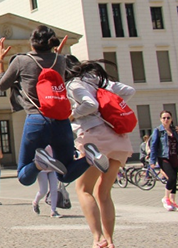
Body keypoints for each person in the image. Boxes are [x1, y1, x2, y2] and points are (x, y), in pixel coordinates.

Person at [0, 26, 108, 182]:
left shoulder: (22, 60)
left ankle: (39, 164)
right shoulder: (61, 60)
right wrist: (56, 54)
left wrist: (0, 60)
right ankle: (89, 158)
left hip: (37, 119)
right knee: (65, 174)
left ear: (32, 43)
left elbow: (1, 84)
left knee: (23, 175)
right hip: (61, 122)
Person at [67, 59, 136, 248]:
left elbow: (90, 105)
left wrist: (73, 114)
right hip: (118, 139)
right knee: (104, 193)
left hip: (95, 140)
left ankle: (98, 239)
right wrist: (110, 110)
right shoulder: (98, 80)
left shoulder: (74, 84)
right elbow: (129, 91)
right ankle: (110, 240)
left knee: (83, 189)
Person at [149, 111, 178, 212]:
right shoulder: (158, 131)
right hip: (164, 157)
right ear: (160, 119)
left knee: (175, 180)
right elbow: (154, 146)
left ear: (171, 119)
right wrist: (152, 160)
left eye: (168, 118)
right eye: (164, 118)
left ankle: (172, 201)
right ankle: (165, 198)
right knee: (171, 177)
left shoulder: (173, 130)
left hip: (174, 157)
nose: (166, 120)